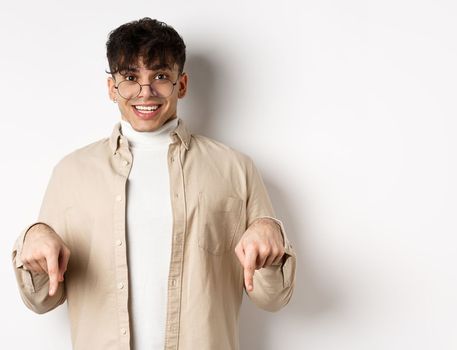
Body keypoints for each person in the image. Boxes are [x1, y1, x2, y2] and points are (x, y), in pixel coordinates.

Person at [10, 17, 297, 350]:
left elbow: (272, 298)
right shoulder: (71, 172)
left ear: (183, 84)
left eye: (160, 76)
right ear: (111, 88)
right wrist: (32, 238)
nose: (145, 92)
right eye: (130, 78)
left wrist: (270, 235)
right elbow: (41, 300)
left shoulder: (235, 168)